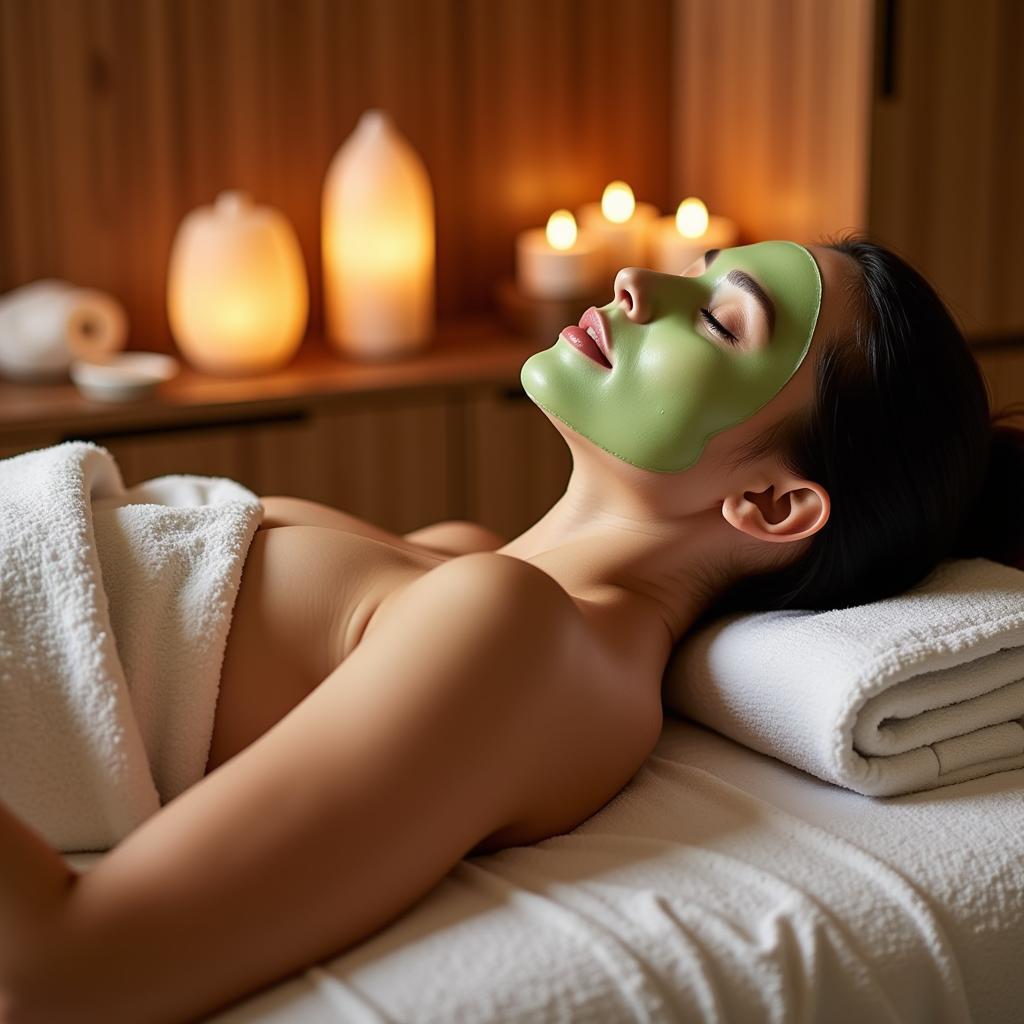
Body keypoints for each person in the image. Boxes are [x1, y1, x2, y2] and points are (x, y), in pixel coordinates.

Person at [2, 237, 1021, 1023]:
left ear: (769, 503)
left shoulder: (521, 634)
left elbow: (62, 971)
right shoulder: (467, 561)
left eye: (717, 322)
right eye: (692, 272)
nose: (636, 283)